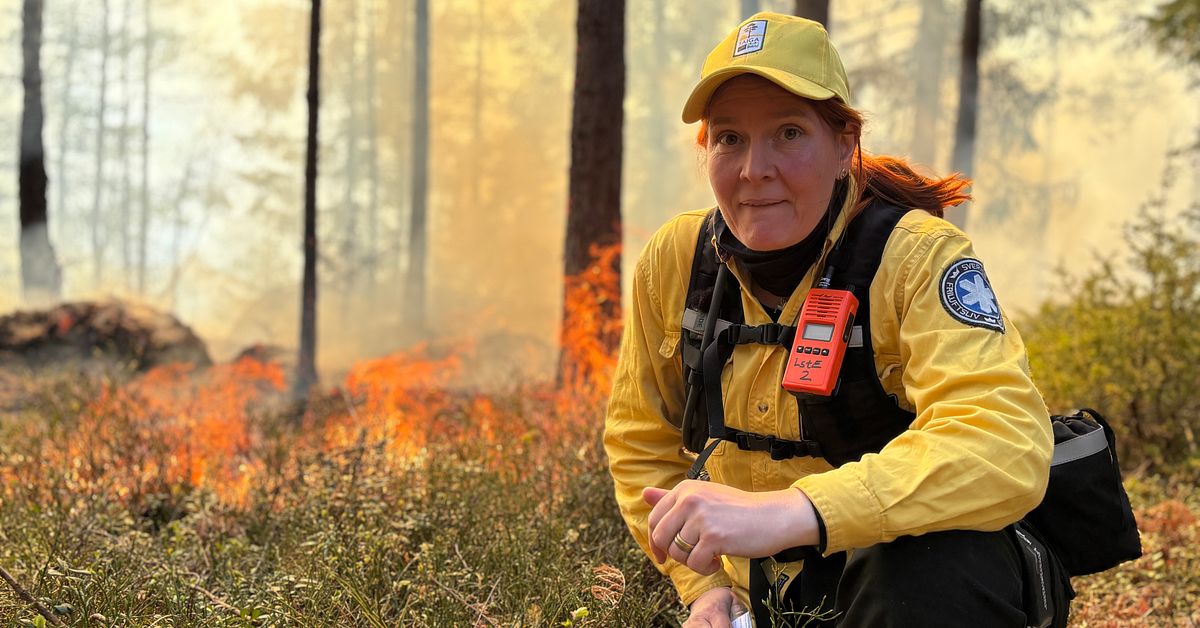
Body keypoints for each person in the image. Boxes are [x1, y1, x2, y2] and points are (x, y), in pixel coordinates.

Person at [604, 12, 1054, 628]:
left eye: (789, 133)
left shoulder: (916, 257)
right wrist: (704, 587)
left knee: (923, 572)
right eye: (730, 138)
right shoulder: (675, 262)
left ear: (845, 146)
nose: (754, 169)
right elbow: (639, 441)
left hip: (915, 591)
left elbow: (1002, 441)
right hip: (757, 604)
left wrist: (795, 511)